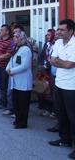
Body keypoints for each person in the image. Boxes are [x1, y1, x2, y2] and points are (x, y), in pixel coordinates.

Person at [48, 19, 75, 159]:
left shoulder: (74, 44)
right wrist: (61, 62)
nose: (58, 32)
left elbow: (69, 65)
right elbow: (52, 59)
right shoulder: (58, 43)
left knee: (73, 117)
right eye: (58, 29)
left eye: (62, 30)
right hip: (59, 83)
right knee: (61, 114)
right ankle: (65, 140)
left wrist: (59, 62)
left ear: (71, 31)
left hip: (72, 87)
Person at [6, 31, 33, 129]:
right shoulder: (16, 48)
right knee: (16, 102)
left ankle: (22, 122)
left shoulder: (26, 49)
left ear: (21, 38)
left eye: (16, 37)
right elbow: (11, 60)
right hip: (15, 79)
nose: (14, 38)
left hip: (23, 80)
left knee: (23, 104)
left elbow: (25, 65)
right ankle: (17, 120)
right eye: (14, 37)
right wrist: (8, 69)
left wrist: (12, 70)